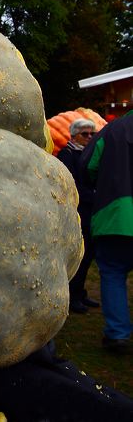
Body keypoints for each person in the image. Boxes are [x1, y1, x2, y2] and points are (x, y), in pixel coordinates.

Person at [80, 112, 133, 354]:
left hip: (115, 214)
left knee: (113, 272)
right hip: (115, 214)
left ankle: (117, 335)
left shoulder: (113, 129)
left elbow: (88, 165)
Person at [56, 118, 99, 314]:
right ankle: (72, 296)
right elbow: (71, 185)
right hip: (77, 211)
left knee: (88, 252)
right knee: (78, 255)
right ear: (73, 135)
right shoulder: (67, 155)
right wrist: (93, 195)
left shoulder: (90, 154)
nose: (89, 137)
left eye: (92, 134)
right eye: (85, 134)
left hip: (91, 210)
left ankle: (80, 292)